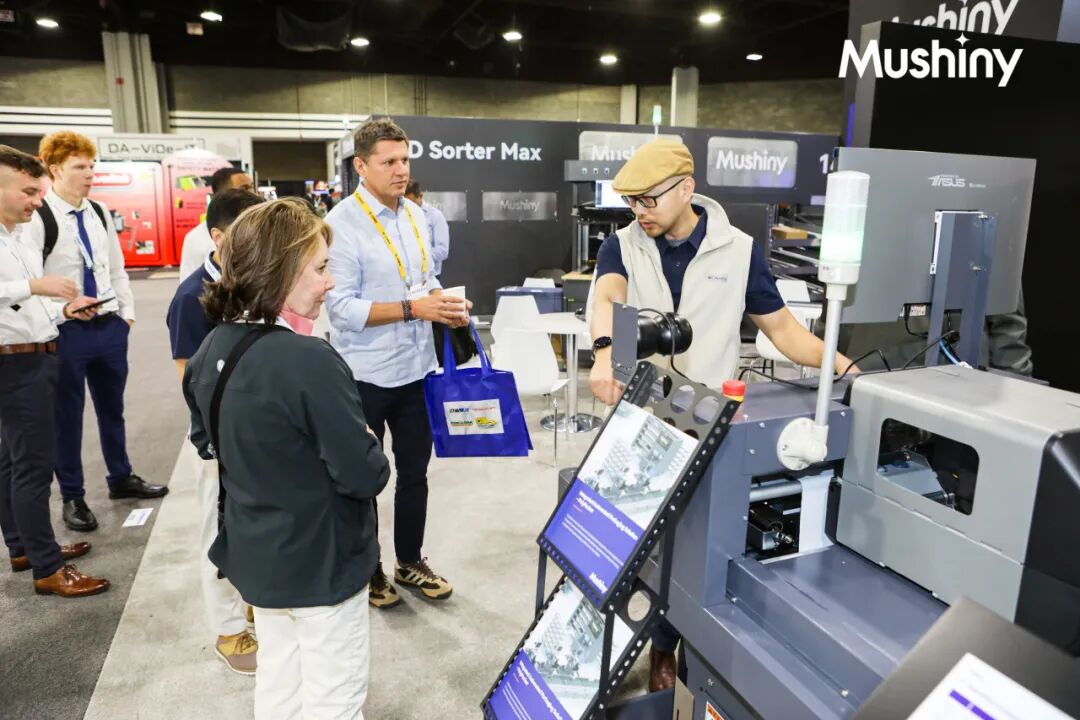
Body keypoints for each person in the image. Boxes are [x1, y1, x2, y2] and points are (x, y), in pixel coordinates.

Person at [588, 138, 857, 692]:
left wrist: (846, 366)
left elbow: (783, 331)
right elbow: (608, 299)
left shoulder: (738, 250)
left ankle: (670, 645)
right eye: (632, 201)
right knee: (636, 539)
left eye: (648, 199)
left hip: (709, 420)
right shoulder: (623, 244)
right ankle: (638, 638)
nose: (639, 211)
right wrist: (603, 352)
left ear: (686, 188)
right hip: (640, 414)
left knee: (693, 544)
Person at [183, 197, 389, 718]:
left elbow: (208, 443)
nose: (330, 282)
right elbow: (364, 474)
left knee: (279, 681)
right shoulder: (308, 359)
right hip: (323, 562)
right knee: (335, 697)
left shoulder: (211, 350)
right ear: (280, 271)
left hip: (261, 558)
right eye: (320, 268)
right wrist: (366, 438)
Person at [325, 118, 471, 610]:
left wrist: (445, 303)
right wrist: (414, 308)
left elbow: (425, 278)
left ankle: (409, 561)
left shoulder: (416, 215)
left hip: (417, 369)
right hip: (364, 375)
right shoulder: (341, 224)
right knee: (364, 478)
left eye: (405, 159)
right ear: (361, 166)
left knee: (415, 474)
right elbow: (341, 310)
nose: (400, 170)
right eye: (388, 161)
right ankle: (369, 570)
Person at [26, 131, 166, 534]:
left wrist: (126, 315)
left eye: (91, 166)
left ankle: (120, 477)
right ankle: (73, 495)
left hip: (108, 327)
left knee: (112, 409)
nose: (89, 174)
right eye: (79, 167)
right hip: (66, 331)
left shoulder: (99, 212)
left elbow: (117, 269)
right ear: (55, 170)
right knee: (67, 417)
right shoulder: (39, 218)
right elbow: (32, 281)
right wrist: (60, 311)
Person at [0, 145, 110, 597]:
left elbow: (26, 307)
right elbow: (21, 293)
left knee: (12, 462)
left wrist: (63, 309)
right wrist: (33, 285)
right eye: (27, 191)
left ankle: (25, 547)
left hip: (32, 353)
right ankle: (47, 568)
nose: (36, 201)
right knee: (32, 467)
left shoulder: (15, 237)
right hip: (16, 363)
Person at [166, 188, 264, 675]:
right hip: (216, 440)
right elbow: (189, 378)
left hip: (254, 433)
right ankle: (227, 630)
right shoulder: (191, 297)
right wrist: (221, 440)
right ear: (219, 237)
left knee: (252, 522)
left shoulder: (254, 282)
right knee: (218, 529)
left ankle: (250, 604)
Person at [178, 167, 255, 281]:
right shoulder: (195, 238)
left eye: (252, 187)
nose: (252, 193)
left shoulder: (259, 229)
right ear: (221, 194)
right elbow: (188, 281)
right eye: (244, 188)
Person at [404, 179, 449, 278]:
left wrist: (417, 258)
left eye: (412, 202)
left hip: (430, 277)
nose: (408, 206)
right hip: (406, 277)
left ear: (421, 196)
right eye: (405, 202)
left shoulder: (435, 216)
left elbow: (442, 251)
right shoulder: (401, 215)